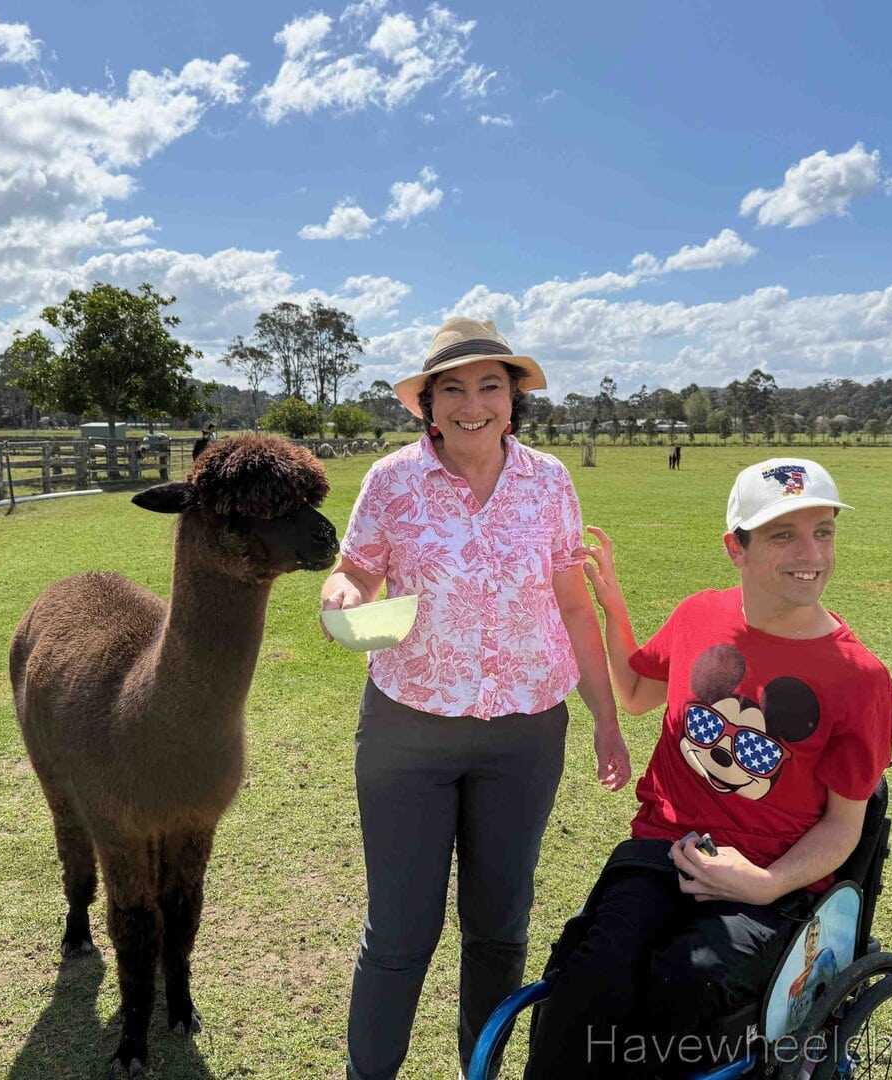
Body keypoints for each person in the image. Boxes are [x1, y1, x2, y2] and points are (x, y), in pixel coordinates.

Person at [320, 316, 632, 1080]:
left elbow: (570, 604)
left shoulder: (549, 481)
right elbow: (357, 573)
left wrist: (604, 721)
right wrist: (342, 593)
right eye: (451, 388)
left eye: (490, 385)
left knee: (499, 929)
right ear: (426, 403)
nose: (472, 403)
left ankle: (480, 1072)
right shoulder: (391, 482)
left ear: (513, 397)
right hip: (407, 733)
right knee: (399, 931)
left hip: (525, 735)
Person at [523, 458, 892, 1078]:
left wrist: (767, 882)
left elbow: (843, 827)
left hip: (767, 885)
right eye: (783, 534)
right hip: (662, 849)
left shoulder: (860, 679)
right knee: (589, 975)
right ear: (737, 549)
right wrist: (615, 607)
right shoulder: (700, 614)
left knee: (685, 983)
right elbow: (639, 693)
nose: (811, 553)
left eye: (823, 531)